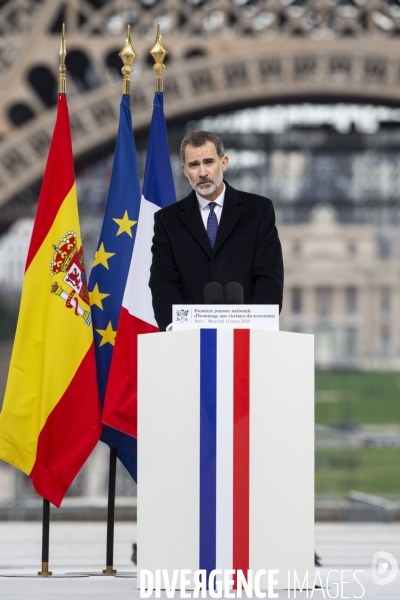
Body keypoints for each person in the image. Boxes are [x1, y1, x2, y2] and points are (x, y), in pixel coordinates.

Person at [149, 131, 284, 331]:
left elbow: (269, 276)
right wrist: (171, 327)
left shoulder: (258, 210)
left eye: (209, 162)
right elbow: (163, 282)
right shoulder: (167, 220)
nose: (202, 172)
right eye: (194, 165)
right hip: (188, 339)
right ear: (185, 170)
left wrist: (259, 325)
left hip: (247, 338)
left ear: (224, 163)